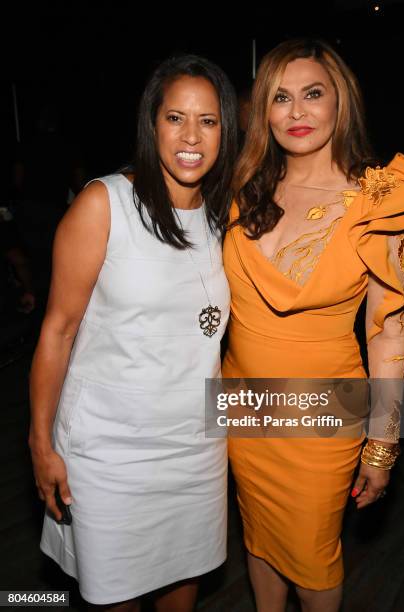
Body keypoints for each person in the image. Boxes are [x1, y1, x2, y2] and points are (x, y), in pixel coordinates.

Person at [223, 38, 404, 612]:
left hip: (325, 408)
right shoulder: (241, 189)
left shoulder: (379, 200)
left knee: (313, 559)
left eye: (312, 94)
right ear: (261, 112)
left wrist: (383, 442)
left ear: (340, 101)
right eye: (279, 98)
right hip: (240, 402)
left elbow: (391, 329)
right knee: (260, 539)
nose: (296, 112)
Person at [29, 54, 238, 611]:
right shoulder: (105, 204)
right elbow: (56, 332)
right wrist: (39, 440)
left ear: (226, 131)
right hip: (108, 455)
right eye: (176, 118)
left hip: (195, 452)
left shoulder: (225, 217)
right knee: (114, 595)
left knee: (182, 592)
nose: (191, 136)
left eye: (208, 121)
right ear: (153, 125)